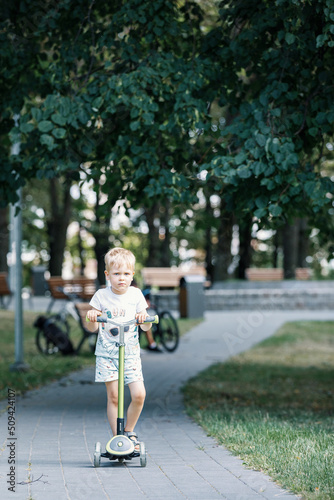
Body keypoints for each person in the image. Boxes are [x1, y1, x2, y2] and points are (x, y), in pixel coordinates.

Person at [85, 247, 152, 451]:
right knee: (114, 396)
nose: (121, 278)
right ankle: (118, 440)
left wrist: (144, 319)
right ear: (107, 275)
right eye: (116, 274)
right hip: (107, 355)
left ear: (132, 275)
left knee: (139, 394)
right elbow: (92, 328)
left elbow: (147, 326)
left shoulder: (136, 295)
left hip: (130, 354)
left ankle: (129, 432)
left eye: (125, 274)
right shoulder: (100, 296)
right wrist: (91, 318)